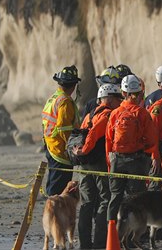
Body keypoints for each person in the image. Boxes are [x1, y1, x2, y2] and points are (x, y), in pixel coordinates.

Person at [105, 74, 160, 222]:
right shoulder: (142, 113)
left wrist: (110, 162)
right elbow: (152, 140)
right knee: (137, 197)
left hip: (117, 160)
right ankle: (136, 234)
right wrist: (145, 153)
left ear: (123, 93)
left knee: (115, 197)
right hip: (136, 160)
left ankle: (111, 232)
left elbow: (108, 140)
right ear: (140, 92)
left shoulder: (115, 113)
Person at [74, 83, 122, 249]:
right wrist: (84, 151)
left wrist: (81, 153)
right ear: (108, 99)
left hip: (84, 167)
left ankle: (84, 244)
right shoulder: (107, 114)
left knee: (87, 203)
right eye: (117, 98)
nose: (119, 102)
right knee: (105, 200)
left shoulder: (89, 115)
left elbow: (81, 133)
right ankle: (100, 243)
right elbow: (94, 134)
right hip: (98, 164)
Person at [42, 65, 81, 196]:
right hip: (61, 150)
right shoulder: (65, 101)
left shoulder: (53, 98)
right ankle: (54, 213)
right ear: (74, 85)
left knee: (53, 184)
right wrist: (72, 148)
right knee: (58, 190)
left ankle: (52, 211)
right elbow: (64, 129)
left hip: (51, 146)